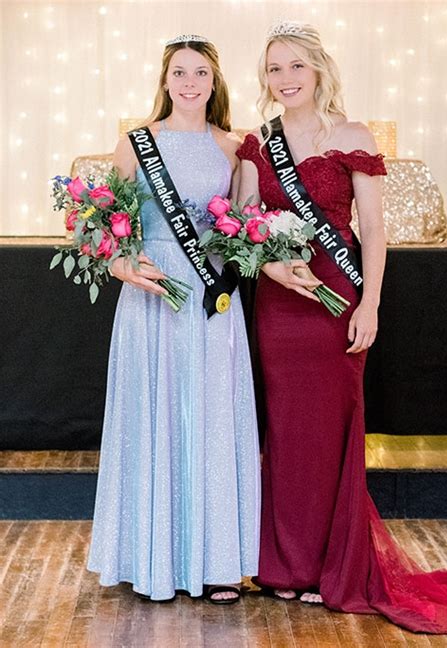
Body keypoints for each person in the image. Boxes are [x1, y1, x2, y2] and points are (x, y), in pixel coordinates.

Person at [237, 21, 447, 633]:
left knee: (333, 430)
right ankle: (285, 566)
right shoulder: (256, 146)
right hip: (280, 305)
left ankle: (329, 567)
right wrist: (269, 266)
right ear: (265, 78)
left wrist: (369, 303)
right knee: (287, 431)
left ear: (318, 70)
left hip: (335, 301)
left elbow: (373, 228)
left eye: (295, 66)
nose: (285, 79)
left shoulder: (352, 135)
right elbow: (235, 228)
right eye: (274, 68)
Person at [87, 34, 260, 604]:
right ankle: (149, 557)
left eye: (201, 74)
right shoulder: (134, 145)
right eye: (180, 73)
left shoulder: (234, 148)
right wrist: (120, 265)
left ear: (215, 83)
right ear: (164, 81)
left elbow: (245, 227)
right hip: (152, 294)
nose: (190, 83)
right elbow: (100, 230)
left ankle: (215, 563)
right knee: (153, 416)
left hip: (211, 299)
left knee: (211, 416)